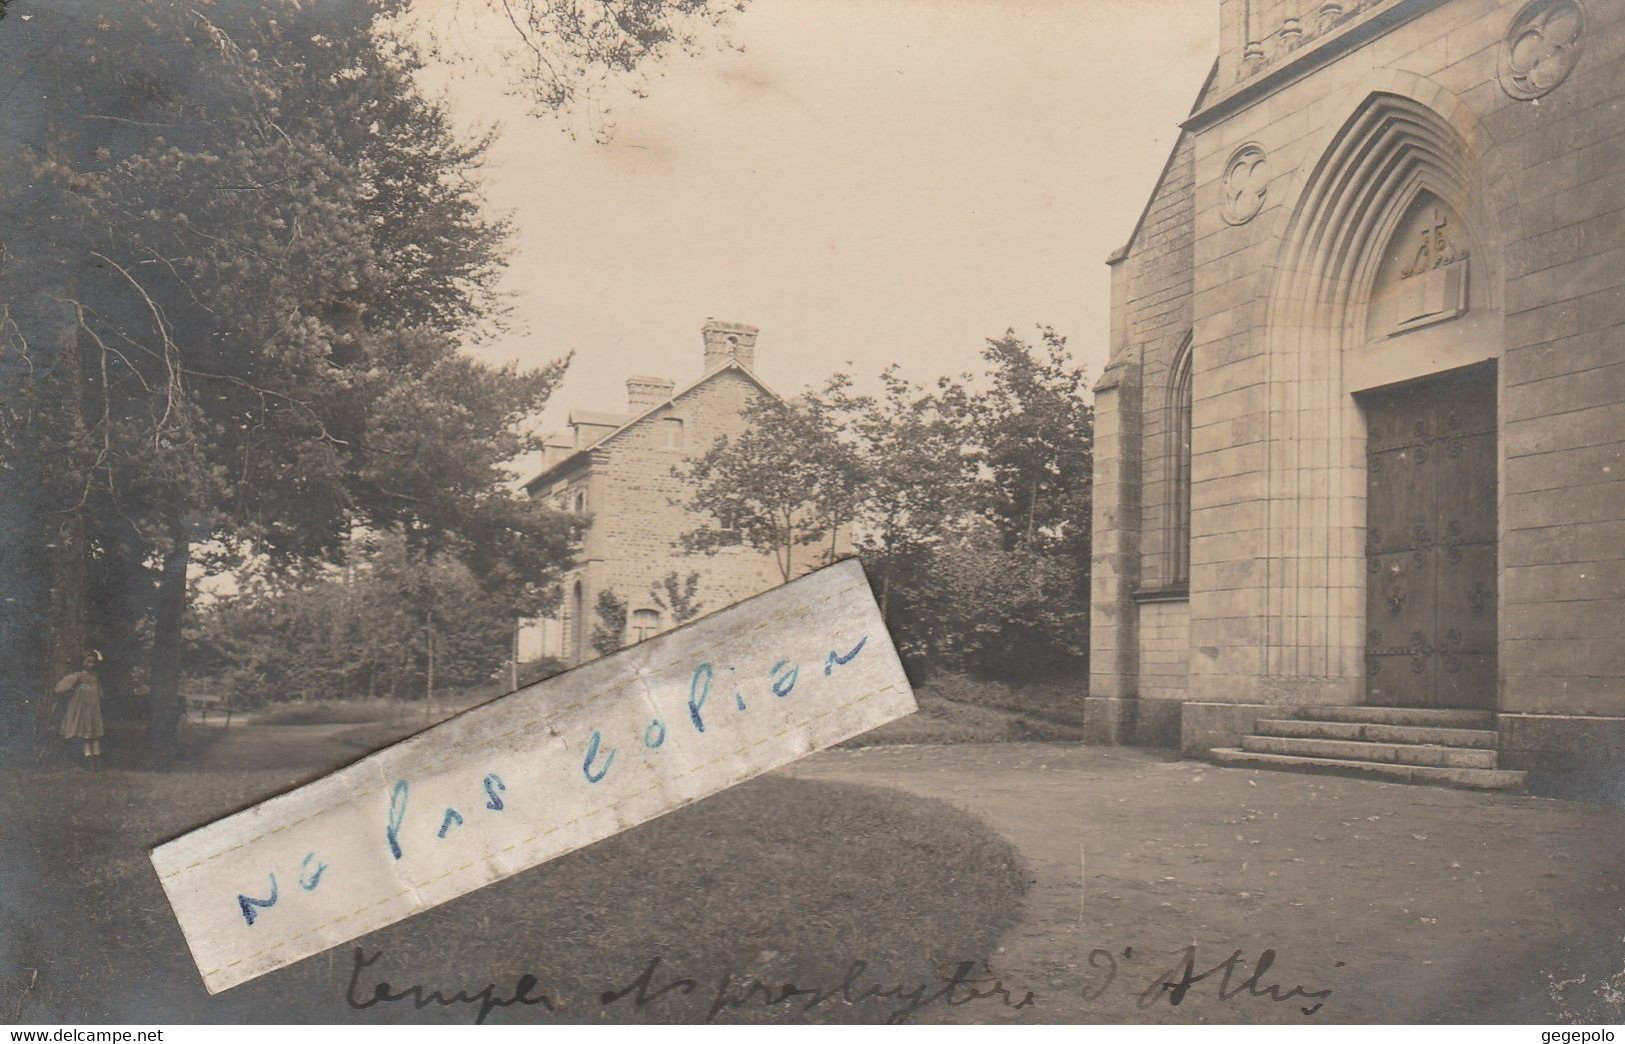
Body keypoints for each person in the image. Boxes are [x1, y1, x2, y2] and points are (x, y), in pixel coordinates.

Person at [54, 653, 106, 766]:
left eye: (93, 662)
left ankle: (97, 758)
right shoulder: (78, 676)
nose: (90, 664)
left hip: (93, 707)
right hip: (83, 707)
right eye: (88, 662)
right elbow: (61, 687)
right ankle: (89, 760)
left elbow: (99, 692)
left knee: (95, 733)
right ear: (83, 663)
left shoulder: (95, 677)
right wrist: (82, 687)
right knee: (86, 734)